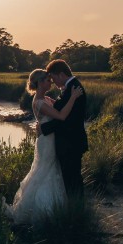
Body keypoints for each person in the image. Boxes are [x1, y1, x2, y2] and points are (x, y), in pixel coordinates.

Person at [4, 68, 83, 225]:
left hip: (50, 139)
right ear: (40, 83)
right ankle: (40, 210)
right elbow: (61, 116)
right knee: (45, 171)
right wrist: (73, 97)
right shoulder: (39, 102)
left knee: (52, 170)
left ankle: (54, 207)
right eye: (48, 80)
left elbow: (60, 107)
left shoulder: (46, 98)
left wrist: (66, 92)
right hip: (46, 142)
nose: (50, 82)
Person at [40, 59, 88, 201]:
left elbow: (67, 119)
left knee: (72, 179)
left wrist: (44, 128)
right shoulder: (70, 88)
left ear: (61, 74)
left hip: (71, 142)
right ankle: (75, 208)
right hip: (69, 142)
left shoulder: (74, 89)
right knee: (70, 178)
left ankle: (77, 210)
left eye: (53, 78)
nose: (53, 82)